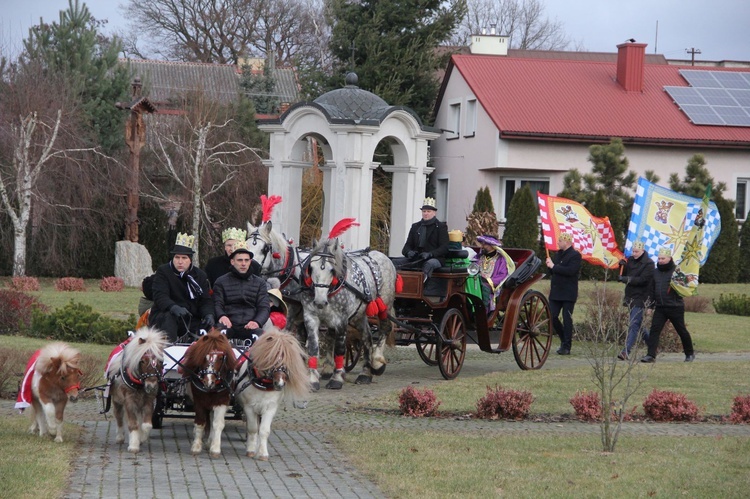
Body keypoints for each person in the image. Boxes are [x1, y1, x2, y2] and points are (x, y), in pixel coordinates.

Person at [149, 233, 214, 342]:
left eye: (184, 258)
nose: (180, 262)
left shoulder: (200, 275)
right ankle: (169, 351)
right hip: (167, 314)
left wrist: (209, 314)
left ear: (190, 260)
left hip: (190, 316)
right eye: (177, 257)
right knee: (169, 318)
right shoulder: (163, 271)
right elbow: (160, 295)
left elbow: (205, 300)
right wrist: (173, 307)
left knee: (207, 325)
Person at [641, 248, 695, 363]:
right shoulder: (655, 272)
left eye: (663, 258)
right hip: (660, 307)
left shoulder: (676, 271)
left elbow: (684, 287)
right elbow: (651, 290)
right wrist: (650, 306)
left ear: (669, 258)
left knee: (681, 330)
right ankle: (650, 355)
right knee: (654, 330)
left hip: (675, 306)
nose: (660, 260)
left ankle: (689, 353)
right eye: (659, 258)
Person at [213, 240, 270, 344]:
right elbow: (217, 303)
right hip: (228, 324)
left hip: (250, 325)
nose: (243, 264)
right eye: (239, 260)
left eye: (246, 260)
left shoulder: (260, 283)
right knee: (216, 337)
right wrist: (222, 316)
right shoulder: (221, 281)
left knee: (263, 342)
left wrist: (257, 322)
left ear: (250, 261)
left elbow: (264, 307)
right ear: (232, 261)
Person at [616, 240, 654, 360]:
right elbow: (626, 274)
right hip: (630, 296)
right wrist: (622, 266)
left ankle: (626, 351)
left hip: (642, 297)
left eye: (636, 251)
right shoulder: (631, 260)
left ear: (642, 250)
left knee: (633, 324)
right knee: (638, 324)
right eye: (633, 251)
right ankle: (652, 346)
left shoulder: (649, 264)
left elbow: (643, 280)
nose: (634, 253)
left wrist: (626, 279)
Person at [545, 232, 582, 355]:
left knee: (567, 319)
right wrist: (550, 266)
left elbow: (570, 271)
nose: (558, 243)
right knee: (552, 316)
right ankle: (562, 339)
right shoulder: (558, 254)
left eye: (560, 241)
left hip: (568, 293)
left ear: (566, 242)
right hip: (556, 291)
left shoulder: (575, 255)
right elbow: (554, 272)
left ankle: (567, 346)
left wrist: (554, 267)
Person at [397, 197, 449, 281]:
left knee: (429, 264)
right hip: (417, 258)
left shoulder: (440, 227)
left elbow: (444, 247)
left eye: (429, 211)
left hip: (435, 258)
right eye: (424, 211)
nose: (426, 213)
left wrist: (430, 254)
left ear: (434, 213)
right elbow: (407, 246)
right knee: (395, 263)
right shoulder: (416, 226)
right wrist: (409, 252)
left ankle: (421, 287)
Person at [473, 235, 515, 313]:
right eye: (482, 243)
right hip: (477, 282)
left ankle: (483, 312)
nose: (482, 246)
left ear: (492, 246)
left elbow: (502, 275)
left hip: (492, 286)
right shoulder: (479, 257)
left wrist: (488, 280)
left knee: (484, 288)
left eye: (484, 244)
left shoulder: (501, 259)